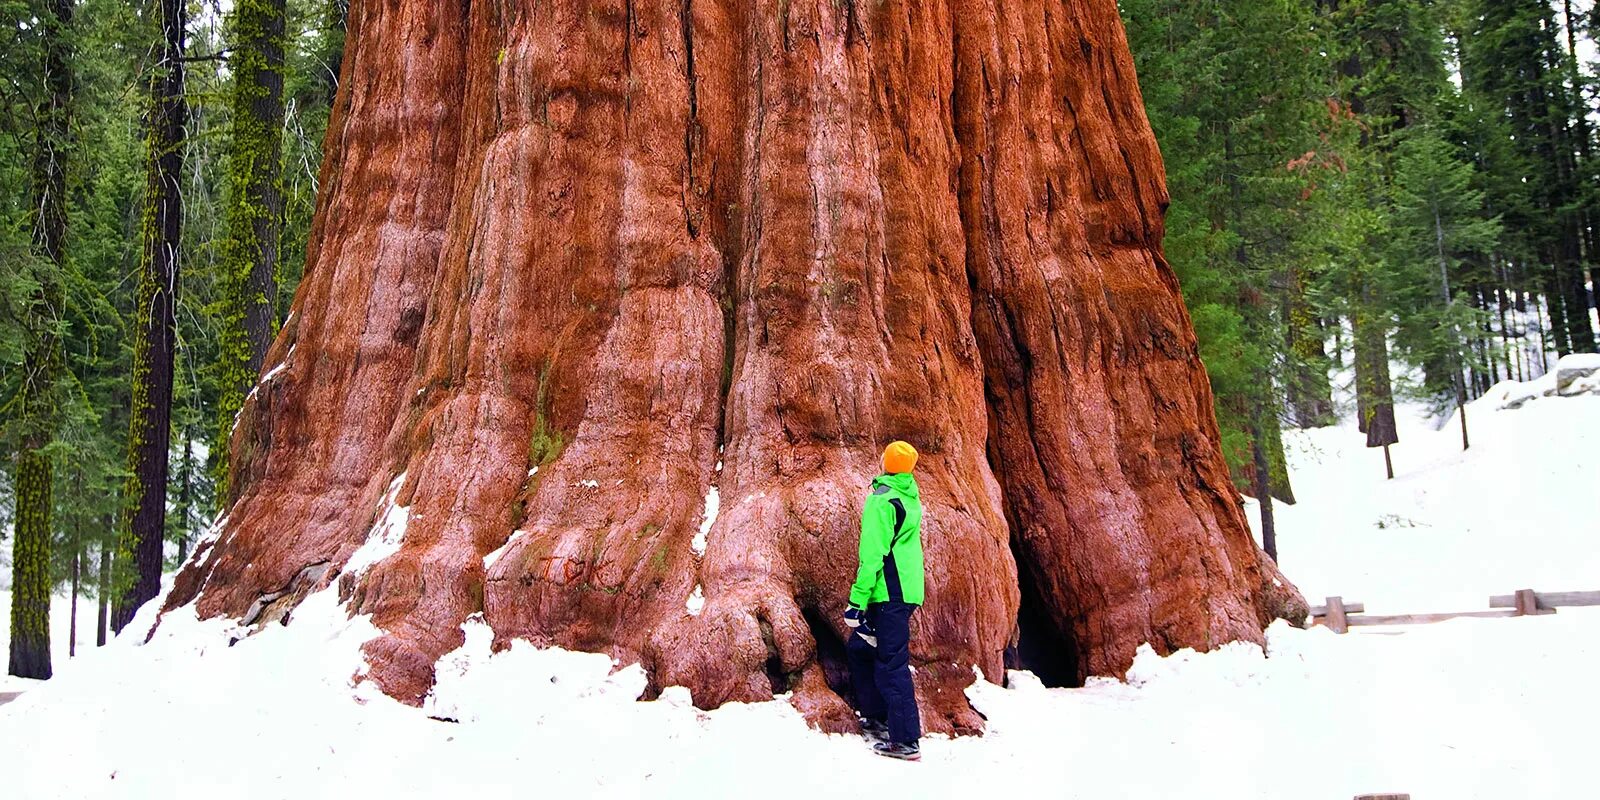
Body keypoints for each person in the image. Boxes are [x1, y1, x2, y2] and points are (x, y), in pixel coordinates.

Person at [843, 440, 924, 761]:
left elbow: (873, 555)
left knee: (891, 663)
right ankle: (875, 717)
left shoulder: (883, 500)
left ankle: (906, 740)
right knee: (860, 648)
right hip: (905, 591)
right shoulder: (909, 495)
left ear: (885, 462)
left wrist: (856, 602)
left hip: (890, 592)